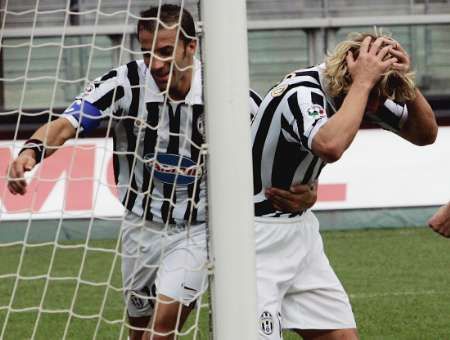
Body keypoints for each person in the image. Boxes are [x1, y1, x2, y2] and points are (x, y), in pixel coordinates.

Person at [6, 5, 318, 339]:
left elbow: (278, 147)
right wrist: (31, 151)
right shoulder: (126, 83)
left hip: (197, 230)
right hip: (141, 226)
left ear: (191, 47)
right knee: (139, 333)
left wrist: (309, 190)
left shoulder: (228, 95)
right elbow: (69, 122)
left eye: (166, 52)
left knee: (163, 327)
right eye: (147, 53)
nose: (155, 63)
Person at [251, 32, 437, 339]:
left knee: (341, 337)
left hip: (299, 231)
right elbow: (330, 145)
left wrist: (407, 85)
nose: (375, 104)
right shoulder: (303, 92)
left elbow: (424, 134)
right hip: (254, 234)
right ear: (349, 73)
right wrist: (364, 83)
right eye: (372, 91)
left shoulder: (363, 92)